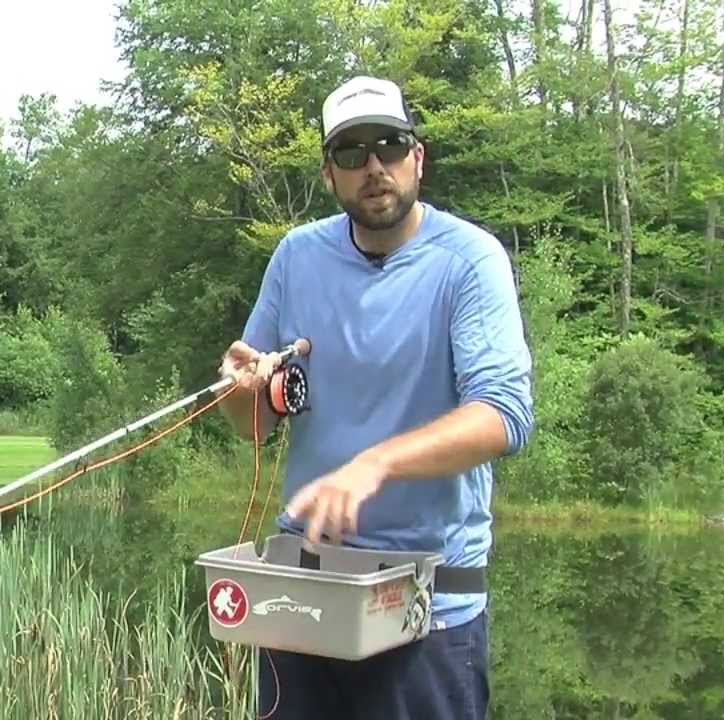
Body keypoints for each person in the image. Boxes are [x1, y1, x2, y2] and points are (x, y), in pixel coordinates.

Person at [217, 75, 534, 720]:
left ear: (417, 156)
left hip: (425, 610)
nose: (374, 167)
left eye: (388, 146)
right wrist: (243, 388)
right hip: (301, 599)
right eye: (353, 153)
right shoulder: (296, 256)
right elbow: (251, 425)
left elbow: (505, 415)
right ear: (330, 174)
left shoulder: (470, 260)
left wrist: (375, 463)